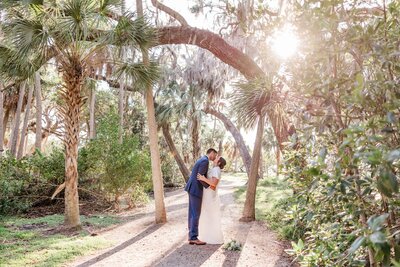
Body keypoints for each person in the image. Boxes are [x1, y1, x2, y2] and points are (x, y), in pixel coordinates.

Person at [185, 148, 218, 245]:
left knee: (192, 213)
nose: (215, 157)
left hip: (192, 188)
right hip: (196, 189)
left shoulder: (202, 159)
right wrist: (209, 186)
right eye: (215, 155)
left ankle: (191, 236)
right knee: (195, 214)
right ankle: (194, 237)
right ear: (211, 153)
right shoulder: (205, 161)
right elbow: (200, 177)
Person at [197, 156, 226, 244]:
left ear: (219, 162)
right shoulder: (214, 169)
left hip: (210, 196)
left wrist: (203, 178)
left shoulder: (216, 170)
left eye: (218, 158)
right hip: (208, 195)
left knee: (210, 215)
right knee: (207, 215)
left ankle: (212, 237)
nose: (216, 158)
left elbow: (214, 185)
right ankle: (206, 235)